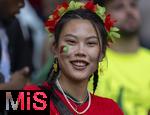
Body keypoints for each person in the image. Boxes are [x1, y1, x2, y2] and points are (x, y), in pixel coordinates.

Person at [23, 1, 123, 114]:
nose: (81, 51)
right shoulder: (32, 97)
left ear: (101, 54)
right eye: (71, 41)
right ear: (55, 49)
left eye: (90, 43)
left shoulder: (110, 109)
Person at [88, 0, 150, 115]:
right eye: (119, 7)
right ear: (102, 17)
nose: (129, 11)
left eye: (133, 5)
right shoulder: (90, 61)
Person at [0, 0, 33, 89]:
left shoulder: (13, 25)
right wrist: (10, 87)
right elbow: (15, 86)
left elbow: (25, 78)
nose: (22, 4)